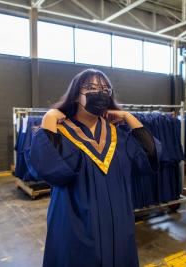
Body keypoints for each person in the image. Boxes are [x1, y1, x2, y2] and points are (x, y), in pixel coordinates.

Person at [25, 69, 160, 267]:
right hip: (76, 227)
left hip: (119, 226)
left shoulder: (118, 135)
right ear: (75, 95)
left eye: (105, 89)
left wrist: (127, 116)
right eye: (91, 88)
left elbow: (151, 155)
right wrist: (48, 119)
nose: (100, 93)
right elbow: (47, 169)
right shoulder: (61, 133)